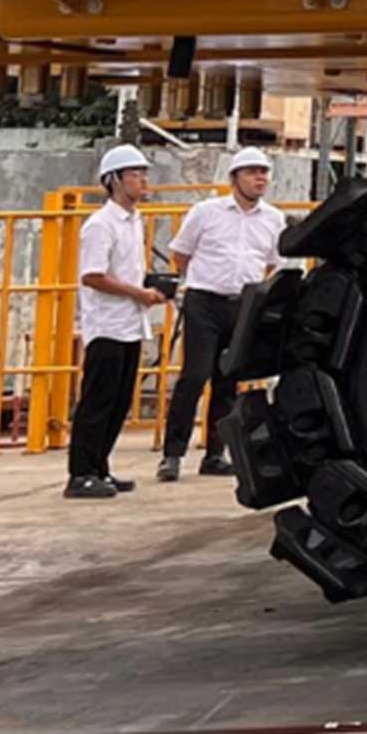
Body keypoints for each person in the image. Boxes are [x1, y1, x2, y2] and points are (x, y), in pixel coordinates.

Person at [158, 148, 286, 482]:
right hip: (205, 301)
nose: (260, 178)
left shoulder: (273, 219)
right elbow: (180, 254)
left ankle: (216, 453)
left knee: (229, 380)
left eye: (264, 172)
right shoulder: (206, 212)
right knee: (195, 375)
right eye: (252, 172)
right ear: (234, 178)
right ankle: (173, 453)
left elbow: (269, 262)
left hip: (242, 304)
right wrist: (204, 280)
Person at [67, 145, 168, 499]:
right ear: (114, 181)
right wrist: (138, 294)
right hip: (107, 325)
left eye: (144, 174)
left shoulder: (134, 221)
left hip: (128, 324)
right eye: (134, 175)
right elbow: (92, 276)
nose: (143, 181)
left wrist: (147, 290)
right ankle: (80, 473)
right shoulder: (100, 225)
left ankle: (100, 467)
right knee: (97, 402)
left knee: (119, 402)